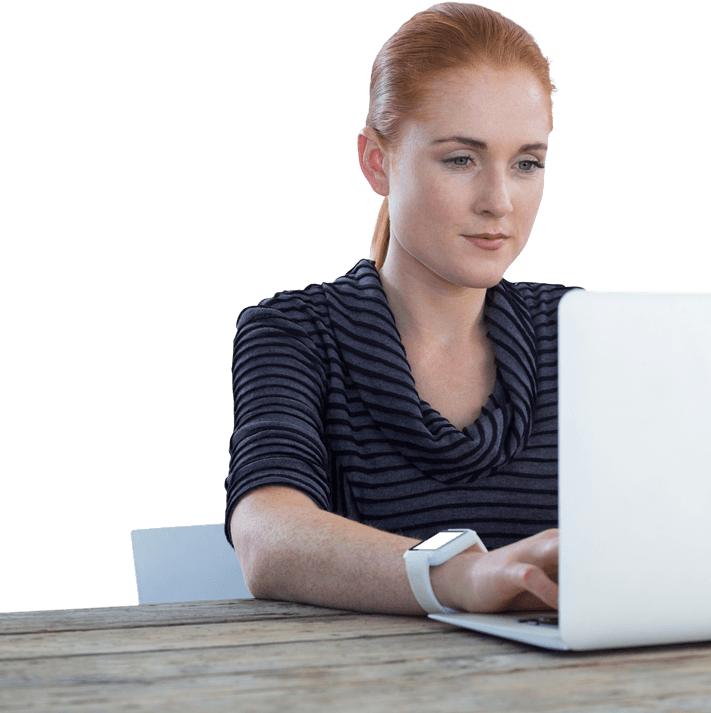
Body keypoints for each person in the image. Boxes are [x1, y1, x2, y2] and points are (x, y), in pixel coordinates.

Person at [224, 2, 577, 616]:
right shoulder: (294, 333)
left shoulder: (583, 330)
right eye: (460, 159)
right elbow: (266, 539)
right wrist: (461, 576)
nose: (500, 202)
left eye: (527, 163)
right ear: (376, 161)